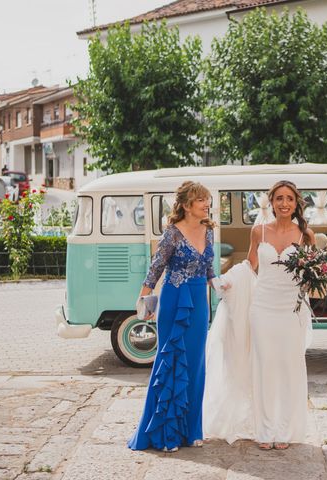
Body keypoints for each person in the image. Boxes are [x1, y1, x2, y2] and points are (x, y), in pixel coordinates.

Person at [128, 181, 216, 452]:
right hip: (175, 299)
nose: (206, 205)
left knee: (195, 365)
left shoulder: (208, 230)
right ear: (187, 205)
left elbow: (209, 267)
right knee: (171, 362)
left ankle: (191, 430)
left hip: (199, 301)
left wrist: (222, 284)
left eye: (207, 200)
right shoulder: (173, 234)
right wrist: (144, 299)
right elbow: (156, 269)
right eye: (201, 200)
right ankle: (166, 434)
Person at [247, 180, 315, 450]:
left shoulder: (305, 235)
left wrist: (312, 280)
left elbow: (311, 272)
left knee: (289, 367)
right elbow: (250, 266)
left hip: (290, 308)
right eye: (279, 198)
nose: (284, 203)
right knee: (264, 366)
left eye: (289, 198)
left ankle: (285, 430)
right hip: (262, 306)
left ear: (296, 202)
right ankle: (265, 430)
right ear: (271, 202)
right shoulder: (258, 232)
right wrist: (230, 283)